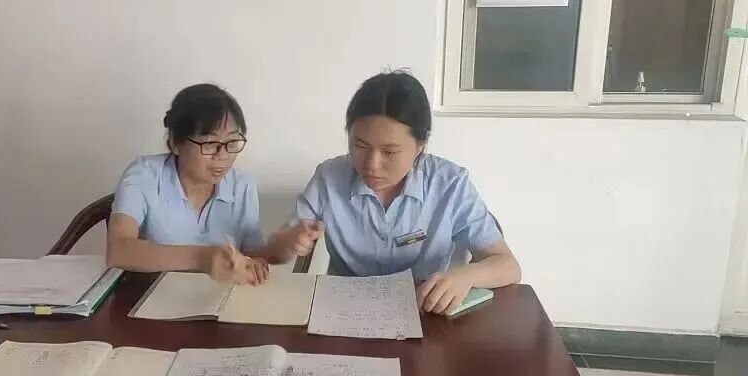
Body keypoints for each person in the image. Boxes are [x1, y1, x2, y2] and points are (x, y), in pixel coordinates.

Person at [266, 71, 520, 313]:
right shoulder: (329, 178)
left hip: (425, 311)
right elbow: (274, 252)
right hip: (346, 312)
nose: (372, 165)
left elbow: (508, 265)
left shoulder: (450, 184)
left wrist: (466, 276)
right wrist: (289, 242)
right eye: (360, 146)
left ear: (421, 144)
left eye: (389, 152)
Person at [106, 84, 268, 285]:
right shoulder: (144, 175)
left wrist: (258, 262)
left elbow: (253, 255)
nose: (222, 156)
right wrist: (202, 258)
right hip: (150, 294)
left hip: (217, 297)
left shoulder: (242, 184)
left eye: (232, 142)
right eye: (209, 144)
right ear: (175, 143)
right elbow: (119, 250)